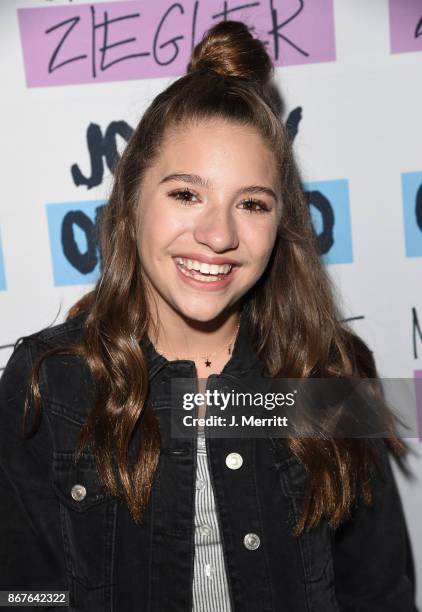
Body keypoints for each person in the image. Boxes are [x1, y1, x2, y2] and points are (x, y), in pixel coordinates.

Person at [0, 20, 417, 612]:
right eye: (186, 194)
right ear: (132, 198)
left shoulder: (330, 377)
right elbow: (22, 594)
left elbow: (379, 595)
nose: (218, 235)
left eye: (251, 204)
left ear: (281, 224)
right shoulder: (50, 381)